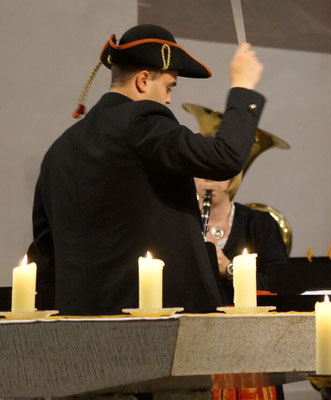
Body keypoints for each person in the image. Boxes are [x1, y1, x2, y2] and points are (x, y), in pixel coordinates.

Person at [27, 24, 265, 315]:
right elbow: (224, 157)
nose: (168, 100)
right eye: (169, 86)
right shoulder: (142, 120)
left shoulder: (59, 150)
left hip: (80, 326)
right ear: (142, 81)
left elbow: (44, 251)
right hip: (156, 323)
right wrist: (243, 88)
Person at [194, 177, 288, 303]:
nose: (208, 178)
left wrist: (230, 269)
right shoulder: (181, 225)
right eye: (200, 170)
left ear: (233, 177)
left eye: (216, 170)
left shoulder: (260, 223)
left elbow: (280, 283)